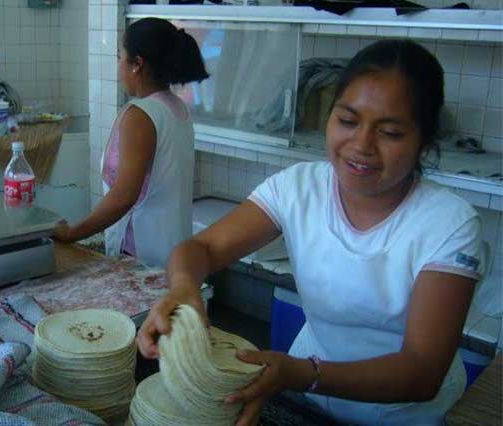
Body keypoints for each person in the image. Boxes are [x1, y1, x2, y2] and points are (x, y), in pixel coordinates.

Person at [136, 39, 484, 426]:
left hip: (403, 413)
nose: (361, 145)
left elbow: (421, 371)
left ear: (425, 142)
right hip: (310, 394)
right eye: (348, 121)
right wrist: (184, 287)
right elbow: (202, 248)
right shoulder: (299, 187)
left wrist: (304, 373)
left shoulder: (448, 224)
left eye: (390, 133)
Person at [53, 18, 209, 267]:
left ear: (137, 64)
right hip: (173, 252)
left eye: (120, 56)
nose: (118, 66)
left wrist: (72, 234)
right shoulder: (177, 108)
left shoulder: (141, 115)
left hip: (142, 256)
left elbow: (124, 196)